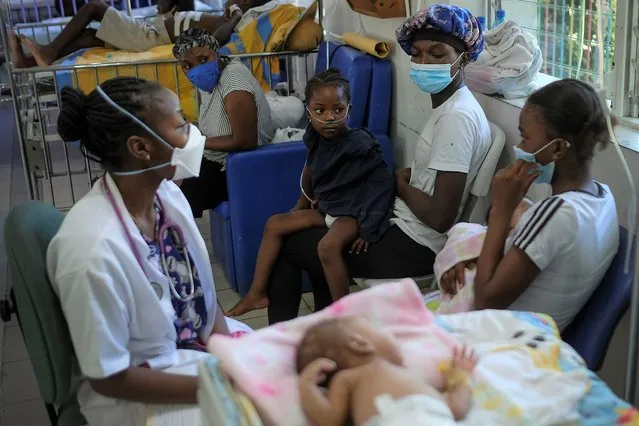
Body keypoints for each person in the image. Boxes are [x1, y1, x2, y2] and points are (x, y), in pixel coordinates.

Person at [266, 4, 491, 324]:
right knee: (308, 230)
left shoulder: (457, 119)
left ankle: (295, 338)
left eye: (437, 54)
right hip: (404, 222)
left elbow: (441, 217)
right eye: (418, 53)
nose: (424, 62)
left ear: (463, 58)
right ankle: (323, 322)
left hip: (416, 244)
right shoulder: (451, 107)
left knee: (290, 246)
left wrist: (398, 183)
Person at [47, 76, 250, 426]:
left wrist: (229, 354)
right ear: (141, 148)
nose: (194, 134)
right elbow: (109, 377)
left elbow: (201, 292)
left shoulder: (167, 196)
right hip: (140, 393)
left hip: (194, 354)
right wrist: (217, 385)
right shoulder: (90, 251)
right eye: (181, 124)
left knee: (290, 377)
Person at [442, 79, 619, 331]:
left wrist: (502, 210)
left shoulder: (557, 214)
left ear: (557, 148)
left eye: (525, 137)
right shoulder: (603, 197)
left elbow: (485, 302)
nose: (520, 148)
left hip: (502, 342)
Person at [227, 69, 395, 317]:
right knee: (274, 224)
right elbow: (311, 167)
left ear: (349, 110)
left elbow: (382, 185)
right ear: (308, 111)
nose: (329, 118)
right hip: (329, 207)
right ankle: (256, 293)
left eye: (338, 110)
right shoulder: (315, 137)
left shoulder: (361, 143)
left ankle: (342, 312)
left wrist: (369, 228)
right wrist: (303, 202)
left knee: (327, 247)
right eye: (320, 110)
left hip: (351, 213)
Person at [296, 317, 477, 425]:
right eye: (382, 329)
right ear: (360, 344)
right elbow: (330, 420)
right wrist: (306, 386)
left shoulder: (414, 377)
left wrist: (460, 377)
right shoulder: (348, 378)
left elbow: (454, 409)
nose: (394, 335)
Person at [172, 28, 274, 218]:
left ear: (216, 53)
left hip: (239, 167)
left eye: (203, 60)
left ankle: (168, 242)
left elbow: (245, 141)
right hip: (218, 161)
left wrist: (196, 140)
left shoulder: (233, 78)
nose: (196, 69)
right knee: (165, 176)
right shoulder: (210, 82)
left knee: (174, 198)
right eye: (187, 65)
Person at [8, 0, 269, 68]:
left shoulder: (240, 19)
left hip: (151, 37)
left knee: (94, 7)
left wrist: (235, 15)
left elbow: (217, 40)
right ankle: (29, 62)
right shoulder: (233, 16)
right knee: (88, 36)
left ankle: (50, 52)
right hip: (153, 31)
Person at [426, 198, 533, 314]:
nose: (512, 238)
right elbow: (461, 235)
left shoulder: (529, 258)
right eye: (509, 230)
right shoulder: (476, 236)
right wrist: (466, 253)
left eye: (521, 231)